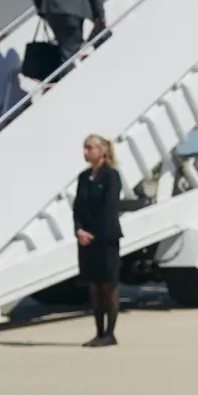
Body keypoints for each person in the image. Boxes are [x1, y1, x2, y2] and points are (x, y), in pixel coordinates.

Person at [74, 134, 124, 347]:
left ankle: (110, 334)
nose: (86, 152)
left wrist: (95, 233)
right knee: (93, 286)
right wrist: (79, 230)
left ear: (102, 151)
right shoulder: (84, 177)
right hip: (86, 239)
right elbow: (77, 207)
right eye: (85, 148)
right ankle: (99, 331)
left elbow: (109, 208)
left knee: (108, 285)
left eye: (90, 148)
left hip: (106, 237)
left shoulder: (111, 176)